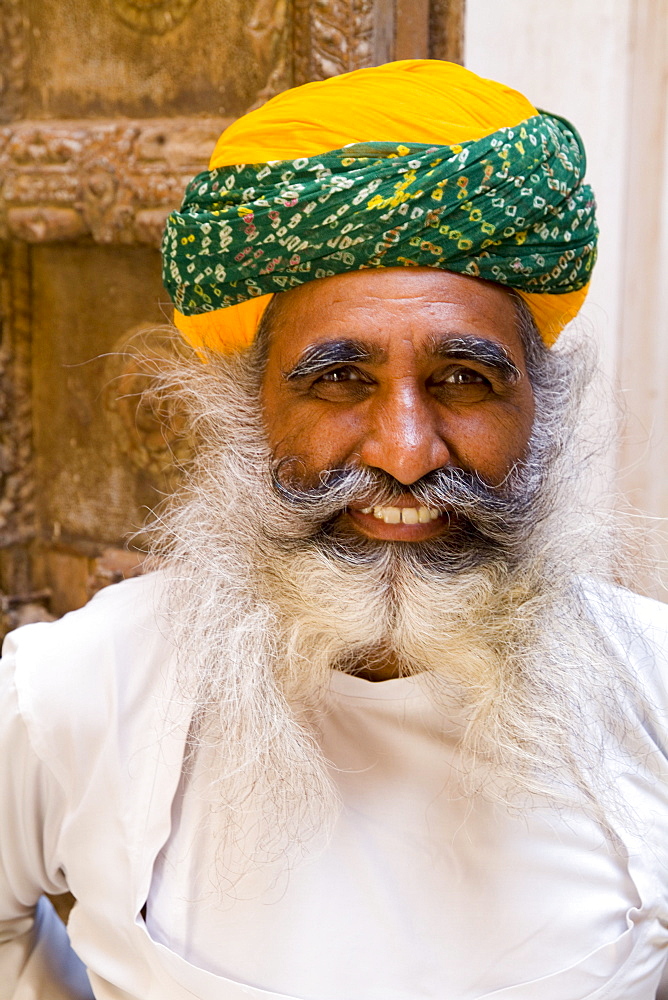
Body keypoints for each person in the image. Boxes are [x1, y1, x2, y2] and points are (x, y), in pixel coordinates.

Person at [2, 59, 668, 1000]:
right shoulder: (75, 690)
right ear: (248, 413)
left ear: (542, 413)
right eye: (338, 380)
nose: (404, 451)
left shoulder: (653, 692)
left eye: (464, 380)